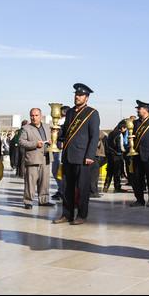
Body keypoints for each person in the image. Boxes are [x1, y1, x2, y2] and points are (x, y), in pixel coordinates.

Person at [52, 83, 101, 226]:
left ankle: (81, 215)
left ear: (86, 98)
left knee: (82, 188)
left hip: (83, 157)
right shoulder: (71, 112)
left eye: (80, 95)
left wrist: (90, 155)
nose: (77, 97)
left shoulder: (92, 113)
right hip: (68, 155)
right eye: (76, 94)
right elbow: (66, 132)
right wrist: (56, 132)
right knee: (67, 187)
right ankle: (66, 214)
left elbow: (94, 136)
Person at [19, 108, 56, 209]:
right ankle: (28, 202)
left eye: (36, 115)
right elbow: (22, 142)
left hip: (46, 158)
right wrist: (35, 144)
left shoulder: (47, 127)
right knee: (30, 182)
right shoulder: (26, 128)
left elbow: (53, 138)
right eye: (32, 115)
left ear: (41, 116)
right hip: (33, 159)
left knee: (45, 181)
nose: (34, 117)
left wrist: (52, 142)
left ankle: (43, 200)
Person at [103, 121, 129, 193]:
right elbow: (120, 147)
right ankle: (117, 187)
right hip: (117, 155)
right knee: (117, 172)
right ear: (123, 128)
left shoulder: (111, 133)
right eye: (125, 128)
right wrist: (126, 150)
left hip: (110, 155)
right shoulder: (119, 134)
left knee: (109, 172)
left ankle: (106, 186)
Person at [51, 106, 69, 201]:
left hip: (62, 150)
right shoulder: (58, 122)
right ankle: (61, 189)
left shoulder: (66, 122)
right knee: (55, 171)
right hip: (56, 149)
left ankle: (63, 191)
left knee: (59, 171)